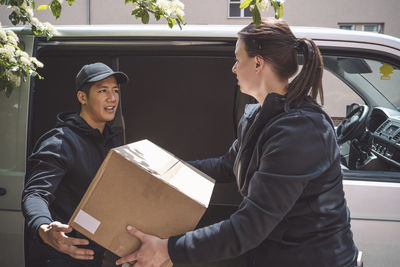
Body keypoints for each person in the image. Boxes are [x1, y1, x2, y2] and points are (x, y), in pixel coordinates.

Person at [116, 18, 359, 267]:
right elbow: (226, 165)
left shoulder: (301, 131)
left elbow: (249, 227)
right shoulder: (258, 117)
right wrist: (167, 169)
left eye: (237, 59)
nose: (233, 68)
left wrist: (167, 249)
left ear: (257, 63)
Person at [22, 62, 129, 267]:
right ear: (82, 97)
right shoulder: (60, 141)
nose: (112, 98)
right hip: (59, 255)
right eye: (103, 90)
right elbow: (35, 193)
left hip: (94, 255)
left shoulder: (112, 142)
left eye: (115, 90)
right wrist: (44, 228)